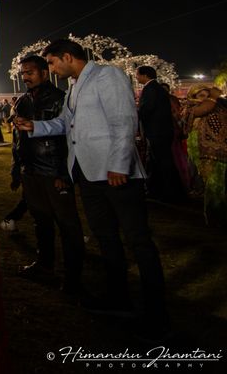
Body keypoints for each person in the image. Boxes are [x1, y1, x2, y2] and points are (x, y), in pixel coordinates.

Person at [14, 39, 168, 338]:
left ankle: (157, 314)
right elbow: (65, 124)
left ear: (67, 57)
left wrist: (119, 165)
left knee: (138, 240)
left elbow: (124, 121)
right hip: (89, 173)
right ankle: (118, 298)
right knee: (106, 238)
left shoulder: (108, 76)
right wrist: (35, 127)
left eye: (53, 63)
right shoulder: (75, 86)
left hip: (116, 173)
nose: (52, 69)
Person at [11, 55, 84, 294]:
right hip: (31, 169)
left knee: (67, 224)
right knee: (41, 221)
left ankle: (73, 276)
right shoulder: (23, 101)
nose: (25, 77)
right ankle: (44, 265)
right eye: (23, 73)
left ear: (44, 73)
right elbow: (18, 139)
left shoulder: (61, 99)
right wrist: (18, 168)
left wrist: (63, 172)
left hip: (54, 170)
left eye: (30, 72)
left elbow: (68, 138)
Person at [137, 66, 186, 203]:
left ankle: (171, 193)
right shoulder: (156, 88)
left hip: (158, 132)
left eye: (137, 74)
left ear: (144, 75)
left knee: (163, 162)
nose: (136, 77)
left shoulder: (151, 89)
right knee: (160, 162)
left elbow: (147, 109)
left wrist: (134, 115)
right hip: (161, 131)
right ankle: (163, 190)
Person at [181, 83, 227, 224]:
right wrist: (212, 97)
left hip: (222, 150)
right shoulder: (192, 107)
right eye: (201, 95)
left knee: (221, 184)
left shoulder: (217, 106)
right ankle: (215, 216)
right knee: (213, 184)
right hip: (206, 153)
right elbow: (202, 110)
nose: (205, 98)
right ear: (193, 96)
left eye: (207, 95)